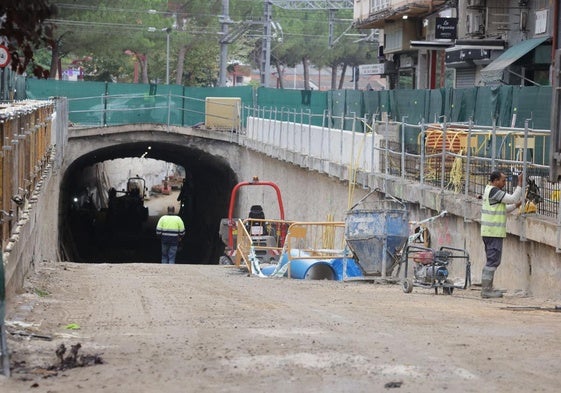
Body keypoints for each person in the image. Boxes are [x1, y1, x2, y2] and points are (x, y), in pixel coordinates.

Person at [480, 170, 523, 298]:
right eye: (503, 180)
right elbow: (513, 198)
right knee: (493, 261)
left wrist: (515, 206)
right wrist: (519, 183)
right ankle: (486, 290)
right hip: (493, 232)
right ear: (495, 181)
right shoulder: (494, 191)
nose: (504, 183)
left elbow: (502, 209)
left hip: (489, 232)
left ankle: (487, 288)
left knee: (491, 260)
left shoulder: (489, 190)